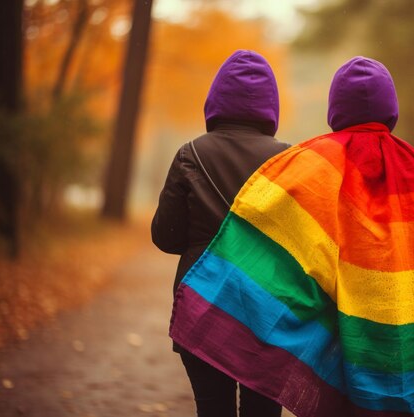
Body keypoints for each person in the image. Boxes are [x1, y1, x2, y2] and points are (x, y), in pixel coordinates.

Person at [169, 56, 414, 417]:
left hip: (284, 310)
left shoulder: (314, 161)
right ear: (391, 108)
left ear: (335, 109)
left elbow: (299, 245)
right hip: (400, 317)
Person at [151, 50, 289, 417]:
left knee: (212, 409)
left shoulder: (190, 154)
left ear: (215, 100)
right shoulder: (289, 161)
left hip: (203, 307)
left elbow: (165, 236)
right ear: (269, 105)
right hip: (268, 309)